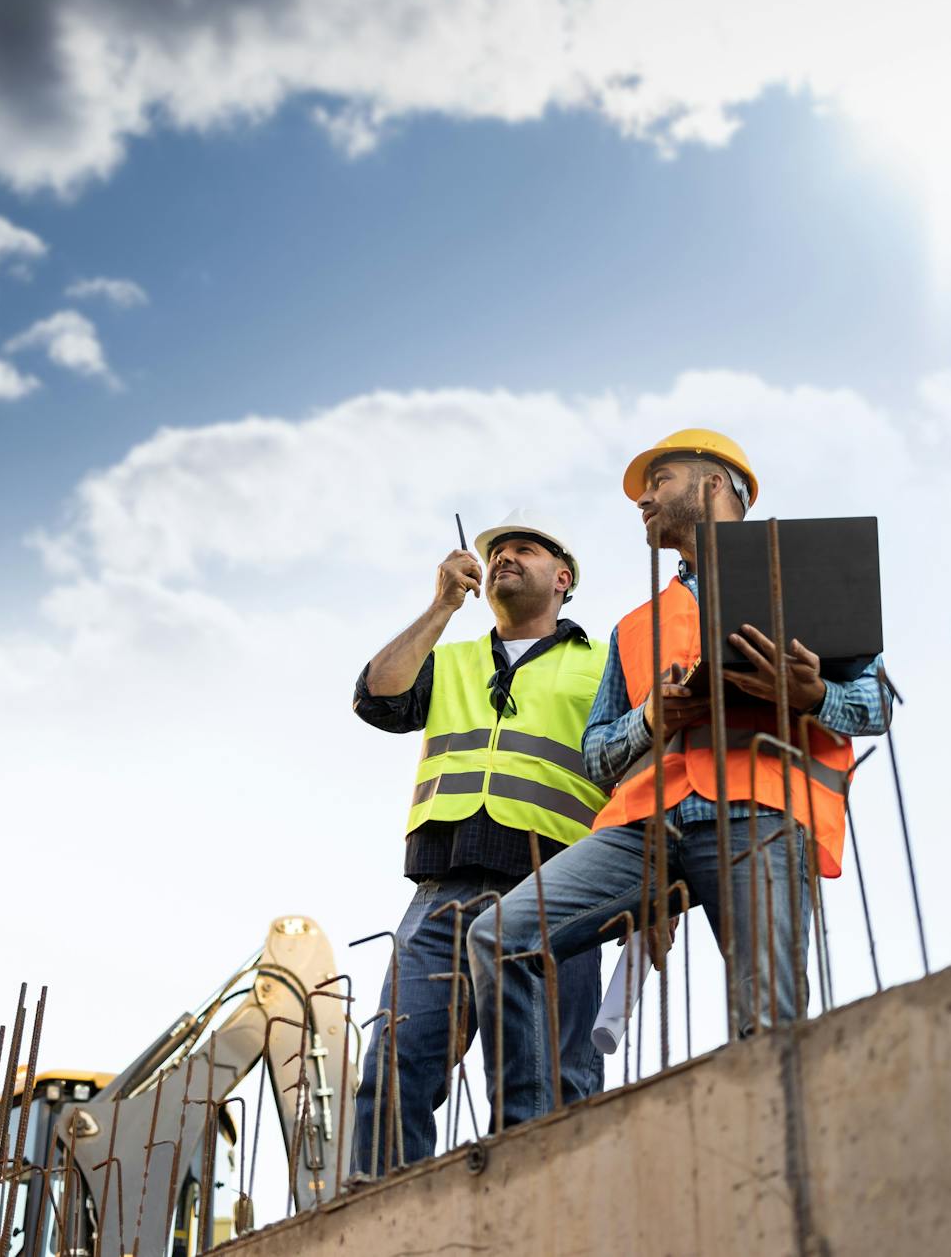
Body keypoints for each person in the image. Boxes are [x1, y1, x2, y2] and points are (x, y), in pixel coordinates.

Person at [467, 429, 889, 1129]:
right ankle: (523, 1142)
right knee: (495, 937)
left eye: (660, 479)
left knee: (768, 1025)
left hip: (761, 816)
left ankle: (773, 1155)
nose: (643, 497)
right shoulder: (637, 624)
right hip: (646, 832)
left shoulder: (806, 575)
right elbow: (598, 753)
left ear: (716, 484)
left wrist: (811, 695)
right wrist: (652, 718)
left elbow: (877, 704)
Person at [348, 508, 607, 1175]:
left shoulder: (603, 665)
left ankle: (543, 1214)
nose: (506, 557)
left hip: (556, 887)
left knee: (551, 1083)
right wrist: (440, 607)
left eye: (525, 549)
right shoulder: (451, 659)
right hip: (443, 892)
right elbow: (376, 697)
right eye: (497, 551)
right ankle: (385, 1220)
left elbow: (637, 763)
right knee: (394, 1065)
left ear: (563, 577)